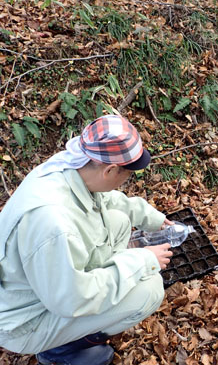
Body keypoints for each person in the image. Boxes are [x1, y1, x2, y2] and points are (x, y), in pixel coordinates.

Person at [0, 114, 174, 365]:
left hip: (42, 287)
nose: (126, 180)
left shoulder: (71, 167)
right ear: (111, 170)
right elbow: (72, 299)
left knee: (119, 222)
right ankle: (58, 351)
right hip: (24, 322)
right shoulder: (52, 223)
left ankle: (85, 321)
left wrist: (151, 217)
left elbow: (104, 199)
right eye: (127, 174)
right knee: (149, 290)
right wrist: (143, 261)